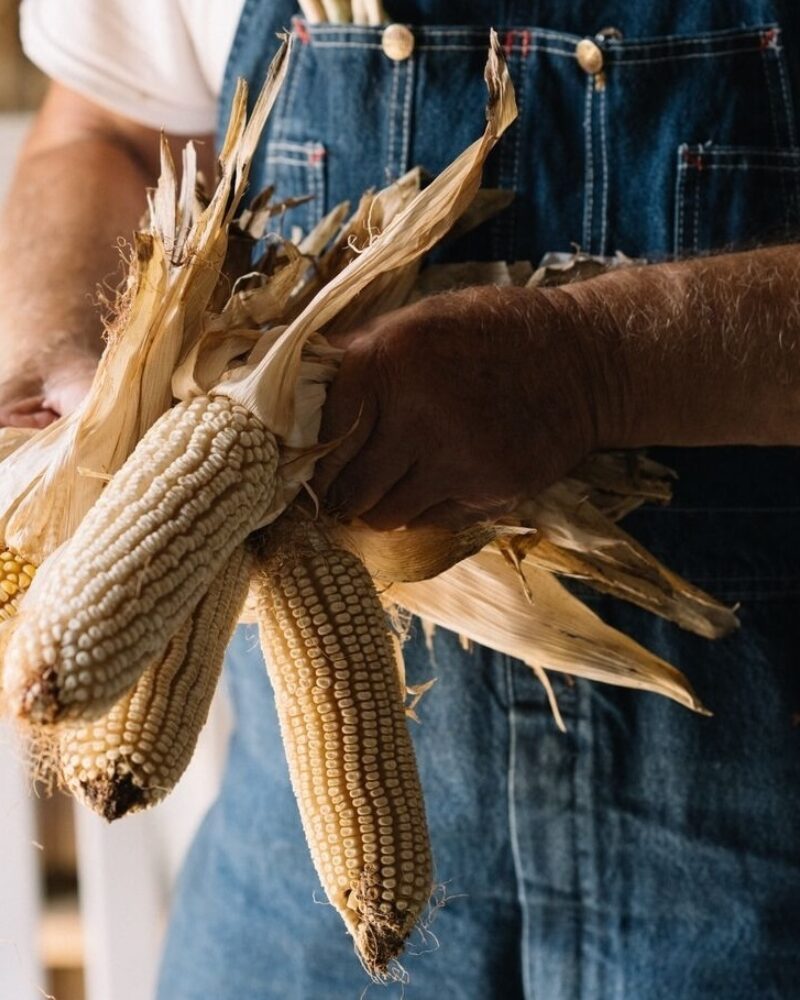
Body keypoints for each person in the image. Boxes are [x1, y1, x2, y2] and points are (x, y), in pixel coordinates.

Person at [4, 2, 800, 997]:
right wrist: (54, 335)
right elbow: (107, 128)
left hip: (762, 888)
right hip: (297, 883)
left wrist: (595, 366)